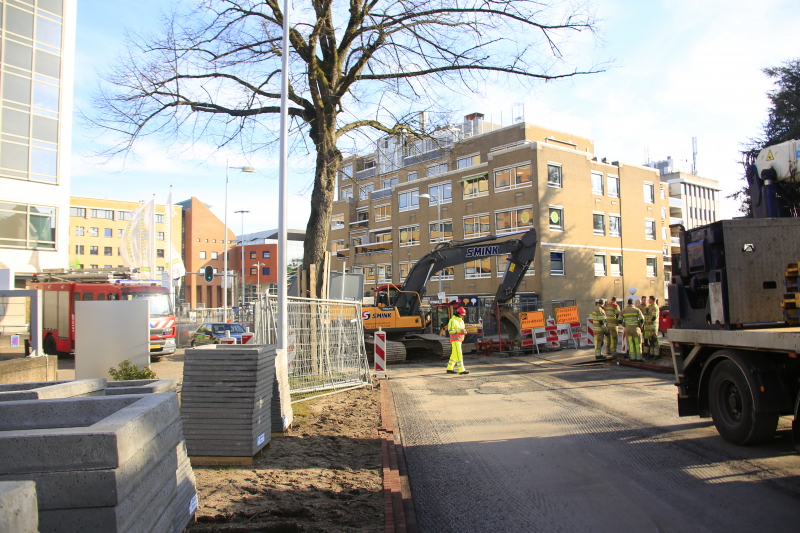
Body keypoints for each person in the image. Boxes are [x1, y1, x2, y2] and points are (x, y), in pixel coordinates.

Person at [446, 307, 469, 375]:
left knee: (454, 355)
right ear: (458, 314)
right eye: (462, 315)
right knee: (459, 354)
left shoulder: (461, 320)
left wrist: (464, 332)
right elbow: (450, 331)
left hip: (459, 339)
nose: (463, 316)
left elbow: (462, 329)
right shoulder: (452, 320)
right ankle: (461, 370)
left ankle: (450, 368)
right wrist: (459, 331)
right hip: (455, 340)